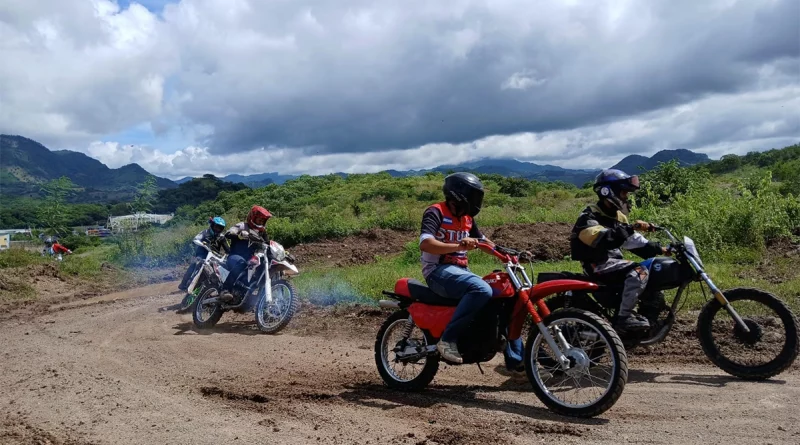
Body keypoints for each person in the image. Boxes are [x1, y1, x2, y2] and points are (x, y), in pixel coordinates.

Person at [419, 172, 524, 368]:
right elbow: (426, 244)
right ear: (458, 194)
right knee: (481, 289)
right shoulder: (436, 212)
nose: (477, 201)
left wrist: (507, 255)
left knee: (506, 297)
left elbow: (483, 242)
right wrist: (459, 246)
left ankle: (518, 362)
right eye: (473, 195)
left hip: (460, 271)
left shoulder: (467, 217)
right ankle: (447, 340)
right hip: (437, 271)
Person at [569, 169, 667, 331]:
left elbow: (633, 241)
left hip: (614, 263)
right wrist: (631, 228)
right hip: (597, 265)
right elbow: (603, 238)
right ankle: (624, 318)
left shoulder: (618, 216)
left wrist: (663, 249)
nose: (626, 198)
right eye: (623, 193)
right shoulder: (589, 216)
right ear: (607, 191)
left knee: (652, 273)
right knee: (639, 271)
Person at [219, 205, 272, 302]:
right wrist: (239, 235)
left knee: (267, 264)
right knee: (241, 263)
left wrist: (284, 252)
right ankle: (225, 290)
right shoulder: (243, 226)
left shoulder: (262, 233)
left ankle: (261, 299)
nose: (260, 222)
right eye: (259, 220)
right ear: (252, 217)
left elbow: (269, 244)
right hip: (235, 256)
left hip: (250, 259)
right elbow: (229, 233)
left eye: (262, 221)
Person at [178, 216, 229, 291]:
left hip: (214, 256)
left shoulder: (222, 237)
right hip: (202, 254)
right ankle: (183, 284)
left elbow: (227, 249)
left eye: (220, 228)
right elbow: (195, 239)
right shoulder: (205, 232)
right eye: (216, 227)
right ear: (212, 225)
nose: (218, 229)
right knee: (194, 264)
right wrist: (203, 244)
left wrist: (230, 254)